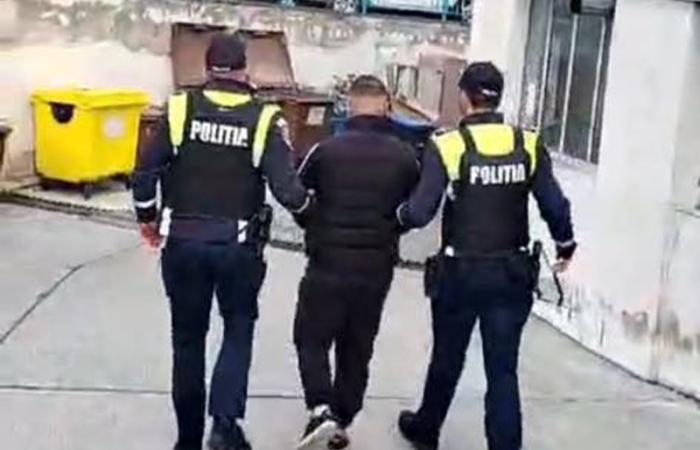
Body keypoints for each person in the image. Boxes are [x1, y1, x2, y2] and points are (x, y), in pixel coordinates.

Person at [132, 32, 312, 450]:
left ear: (207, 68)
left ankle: (187, 441)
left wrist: (147, 219)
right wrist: (316, 218)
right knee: (237, 329)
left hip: (182, 245)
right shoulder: (264, 119)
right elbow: (288, 191)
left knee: (187, 340)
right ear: (245, 70)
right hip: (238, 248)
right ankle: (224, 425)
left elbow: (144, 174)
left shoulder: (180, 109)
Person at [395, 62, 577, 450]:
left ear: (464, 96)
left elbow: (420, 211)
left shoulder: (448, 145)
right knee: (502, 370)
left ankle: (426, 430)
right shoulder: (527, 144)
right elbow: (555, 205)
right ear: (498, 98)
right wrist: (565, 245)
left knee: (447, 358)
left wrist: (394, 218)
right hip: (511, 274)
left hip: (459, 275)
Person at [292, 75, 420, 450]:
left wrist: (312, 221)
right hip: (376, 266)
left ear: (349, 105)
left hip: (327, 261)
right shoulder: (404, 156)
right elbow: (418, 205)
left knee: (311, 337)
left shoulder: (325, 151)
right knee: (358, 344)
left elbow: (297, 193)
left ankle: (321, 409)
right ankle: (343, 417)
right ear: (386, 105)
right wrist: (393, 226)